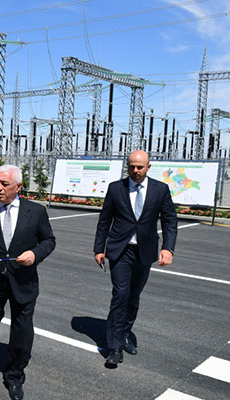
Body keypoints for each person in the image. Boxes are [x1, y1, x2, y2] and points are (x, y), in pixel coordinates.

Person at [0, 164, 56, 400]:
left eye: (4, 184)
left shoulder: (35, 212)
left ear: (19, 187)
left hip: (23, 281)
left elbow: (48, 240)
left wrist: (35, 254)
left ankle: (15, 374)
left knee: (22, 331)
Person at [94, 150, 177, 368]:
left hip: (144, 252)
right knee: (120, 295)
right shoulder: (116, 188)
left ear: (148, 167)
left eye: (140, 167)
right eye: (131, 166)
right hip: (120, 251)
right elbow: (105, 220)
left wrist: (168, 248)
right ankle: (114, 347)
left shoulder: (160, 190)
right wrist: (99, 248)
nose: (135, 170)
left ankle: (124, 335)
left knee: (133, 297)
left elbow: (170, 221)